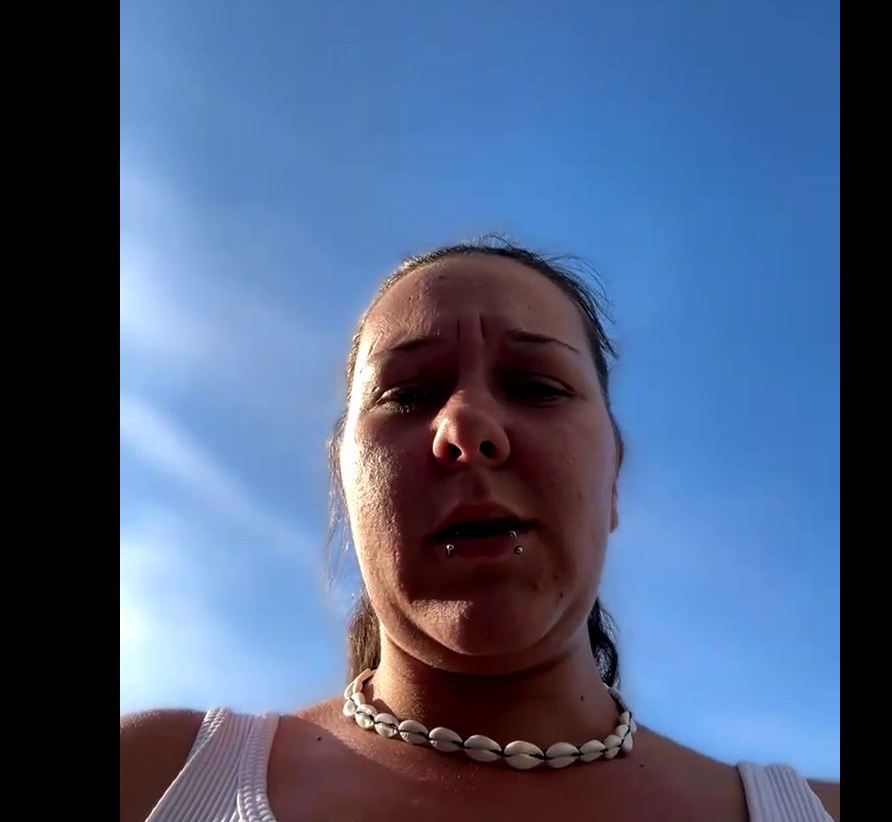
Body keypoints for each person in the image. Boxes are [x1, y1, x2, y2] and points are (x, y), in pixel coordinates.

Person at [120, 239, 840, 822]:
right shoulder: (156, 778)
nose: (466, 426)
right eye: (407, 393)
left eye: (536, 386)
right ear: (346, 483)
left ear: (614, 479)